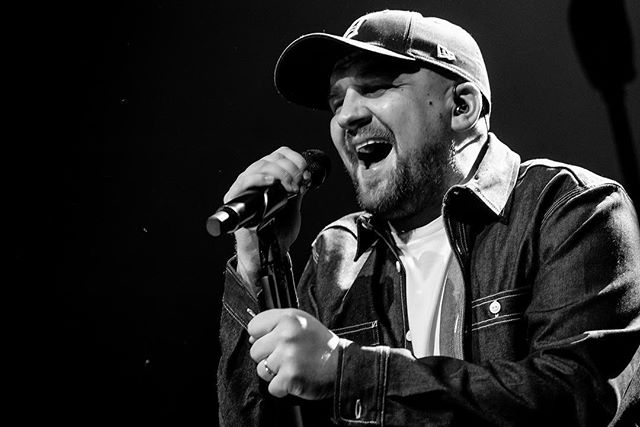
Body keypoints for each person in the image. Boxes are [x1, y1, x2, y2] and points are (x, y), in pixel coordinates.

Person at [216, 10, 640, 426]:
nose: (346, 116)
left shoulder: (569, 209)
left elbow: (574, 399)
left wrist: (348, 371)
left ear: (461, 107)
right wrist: (258, 267)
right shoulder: (338, 255)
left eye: (375, 87)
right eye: (336, 102)